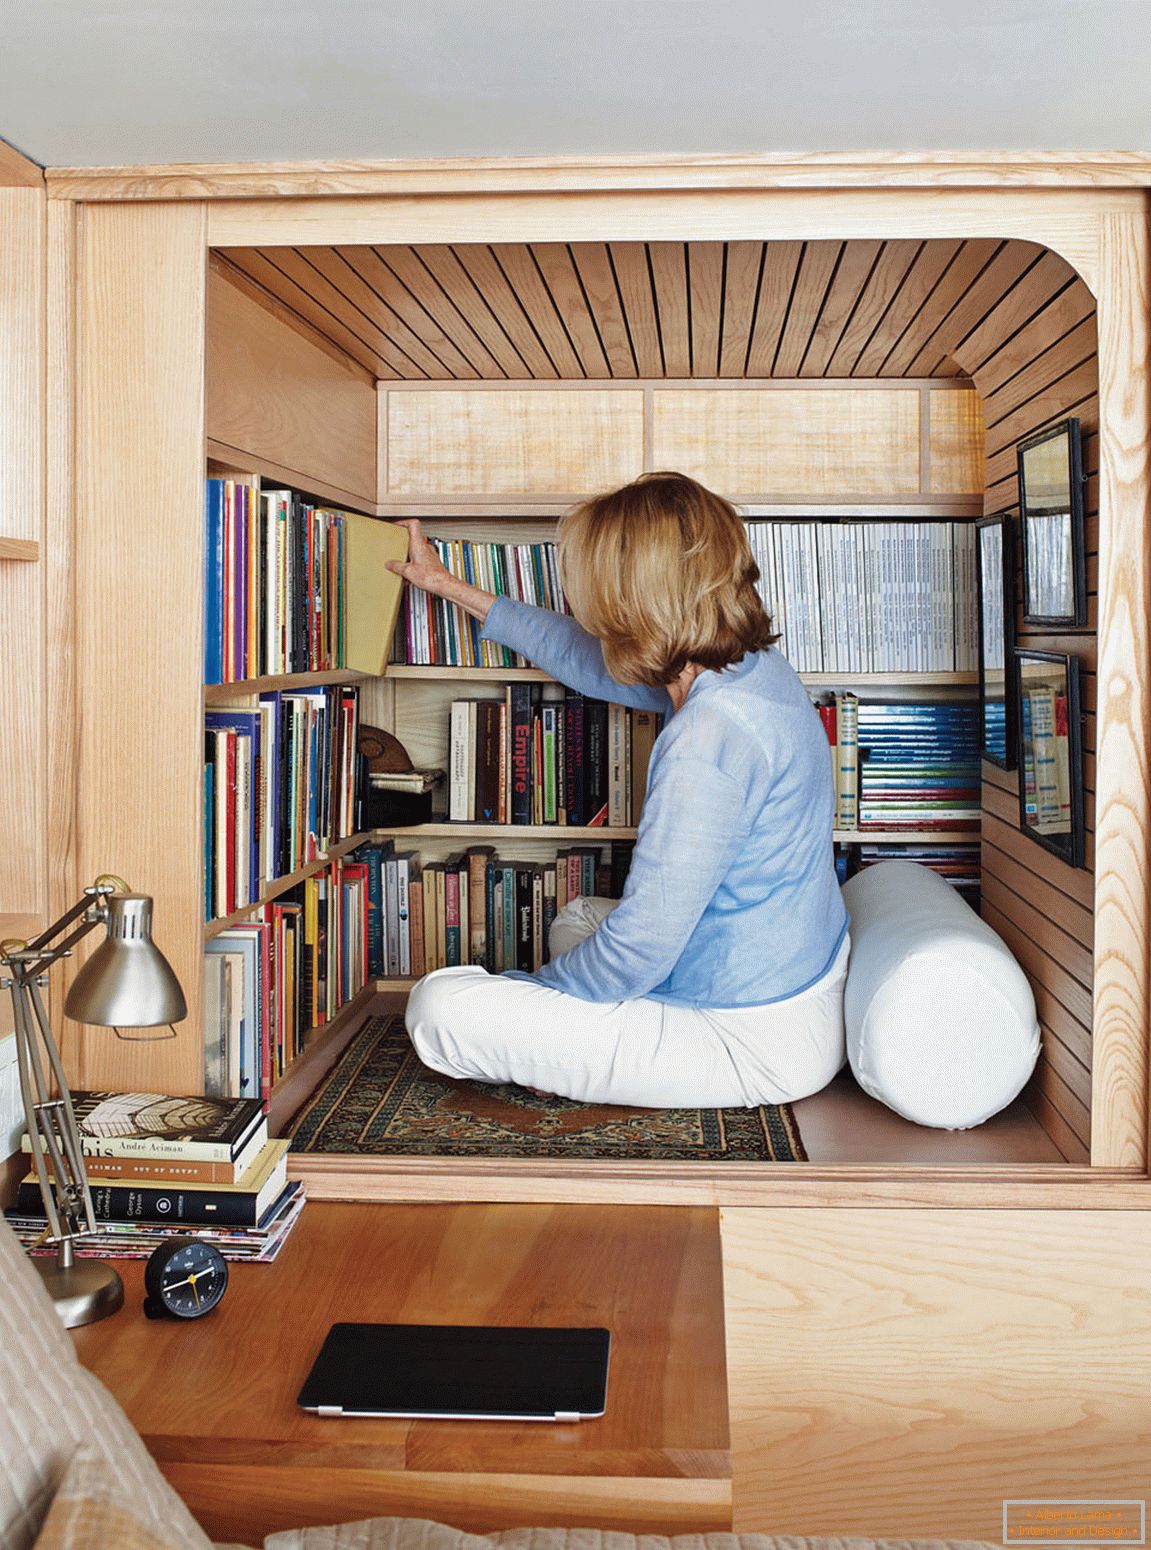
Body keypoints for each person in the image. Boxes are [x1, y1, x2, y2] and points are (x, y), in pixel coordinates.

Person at [385, 472, 850, 1109]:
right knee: (576, 919)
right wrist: (449, 587)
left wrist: (532, 992)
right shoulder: (744, 666)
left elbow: (635, 955)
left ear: (633, 598)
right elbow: (579, 655)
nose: (584, 603)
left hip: (747, 1037)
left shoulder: (709, 740)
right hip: (782, 976)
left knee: (439, 1008)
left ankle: (560, 1030)